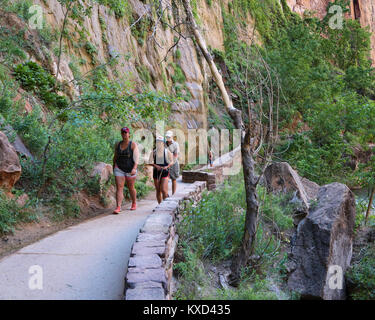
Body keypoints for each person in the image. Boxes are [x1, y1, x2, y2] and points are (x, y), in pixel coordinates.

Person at [112, 127, 139, 214]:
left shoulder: (133, 145)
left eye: (126, 133)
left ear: (129, 134)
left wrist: (134, 168)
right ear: (121, 134)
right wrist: (114, 166)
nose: (124, 134)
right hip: (119, 168)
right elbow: (115, 156)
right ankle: (118, 207)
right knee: (119, 187)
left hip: (130, 169)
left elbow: (137, 158)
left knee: (131, 187)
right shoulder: (118, 144)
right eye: (123, 133)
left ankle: (134, 202)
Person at [150, 135, 174, 204]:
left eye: (160, 142)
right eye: (157, 142)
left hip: (165, 172)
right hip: (156, 172)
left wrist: (167, 166)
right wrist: (155, 165)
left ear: (163, 143)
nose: (159, 144)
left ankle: (165, 205)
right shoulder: (153, 152)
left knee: (163, 190)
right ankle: (160, 206)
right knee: (158, 190)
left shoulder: (167, 152)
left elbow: (172, 161)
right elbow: (149, 162)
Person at [165, 130, 180, 195]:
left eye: (169, 137)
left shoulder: (175, 144)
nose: (168, 138)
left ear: (172, 137)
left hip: (174, 163)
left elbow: (175, 155)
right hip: (165, 163)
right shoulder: (164, 144)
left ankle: (173, 194)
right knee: (166, 179)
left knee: (173, 179)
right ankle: (166, 193)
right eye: (167, 137)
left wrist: (171, 163)